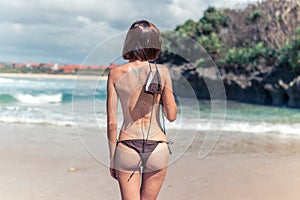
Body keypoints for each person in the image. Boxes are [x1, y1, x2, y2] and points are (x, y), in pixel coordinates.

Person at [106, 20, 178, 200]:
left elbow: (111, 122)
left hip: (127, 145)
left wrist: (113, 157)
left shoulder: (115, 74)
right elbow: (171, 116)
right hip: (157, 147)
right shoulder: (162, 72)